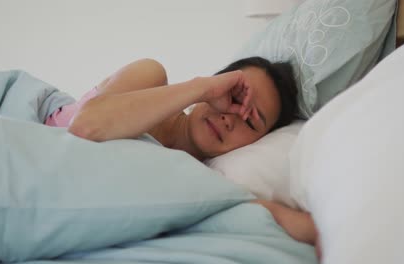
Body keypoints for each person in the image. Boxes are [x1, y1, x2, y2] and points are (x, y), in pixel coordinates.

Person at [45, 56, 320, 258]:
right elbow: (86, 127)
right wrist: (202, 88)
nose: (229, 117)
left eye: (250, 122)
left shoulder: (198, 182)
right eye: (233, 96)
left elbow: (248, 208)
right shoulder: (149, 76)